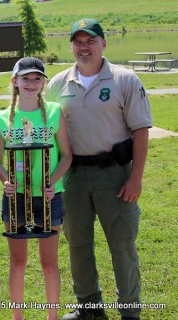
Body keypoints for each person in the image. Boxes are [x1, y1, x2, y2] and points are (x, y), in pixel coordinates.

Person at [47, 18, 152, 320]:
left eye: (90, 40)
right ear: (71, 47)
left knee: (122, 246)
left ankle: (130, 311)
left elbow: (141, 130)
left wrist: (136, 178)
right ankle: (89, 308)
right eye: (78, 42)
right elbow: (49, 134)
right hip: (74, 176)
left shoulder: (125, 80)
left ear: (103, 43)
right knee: (78, 245)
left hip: (115, 175)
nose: (84, 47)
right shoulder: (58, 84)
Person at [0, 57, 72, 320]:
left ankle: (52, 316)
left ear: (43, 83)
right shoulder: (3, 119)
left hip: (49, 198)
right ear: (15, 82)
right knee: (18, 263)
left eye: (37, 78)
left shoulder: (53, 111)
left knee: (49, 263)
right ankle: (17, 317)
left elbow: (67, 156)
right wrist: (6, 181)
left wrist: (52, 181)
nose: (31, 83)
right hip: (17, 200)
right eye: (25, 78)